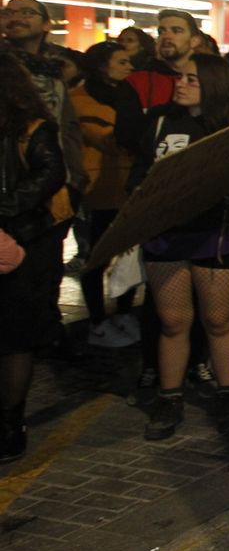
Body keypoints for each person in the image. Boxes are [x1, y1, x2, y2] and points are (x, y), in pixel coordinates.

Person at [135, 55, 229, 440]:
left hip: (218, 235)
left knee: (218, 320)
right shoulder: (157, 121)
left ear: (214, 85)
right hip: (165, 236)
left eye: (192, 79)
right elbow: (138, 176)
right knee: (172, 321)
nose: (181, 84)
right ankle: (169, 397)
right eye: (180, 77)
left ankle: (227, 394)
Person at [0, 52, 69, 462]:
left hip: (23, 242)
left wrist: (6, 207)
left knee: (14, 337)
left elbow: (50, 174)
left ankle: (12, 421)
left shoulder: (32, 128)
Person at [70, 41, 144, 347]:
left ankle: (123, 313)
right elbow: (104, 139)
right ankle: (97, 321)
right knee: (96, 257)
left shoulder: (128, 96)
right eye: (122, 61)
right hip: (97, 188)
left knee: (127, 254)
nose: (130, 67)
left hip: (127, 187)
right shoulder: (79, 100)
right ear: (103, 65)